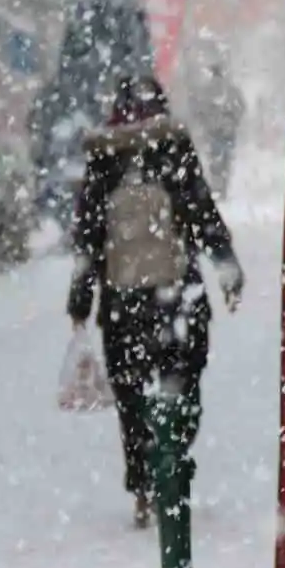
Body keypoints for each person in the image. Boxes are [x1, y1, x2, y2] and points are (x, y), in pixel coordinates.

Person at [67, 76, 244, 527]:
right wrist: (226, 268)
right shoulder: (174, 151)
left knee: (132, 402)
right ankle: (173, 465)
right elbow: (203, 214)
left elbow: (87, 237)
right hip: (178, 300)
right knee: (182, 387)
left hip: (124, 305)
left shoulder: (104, 161)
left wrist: (80, 300)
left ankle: (145, 483)